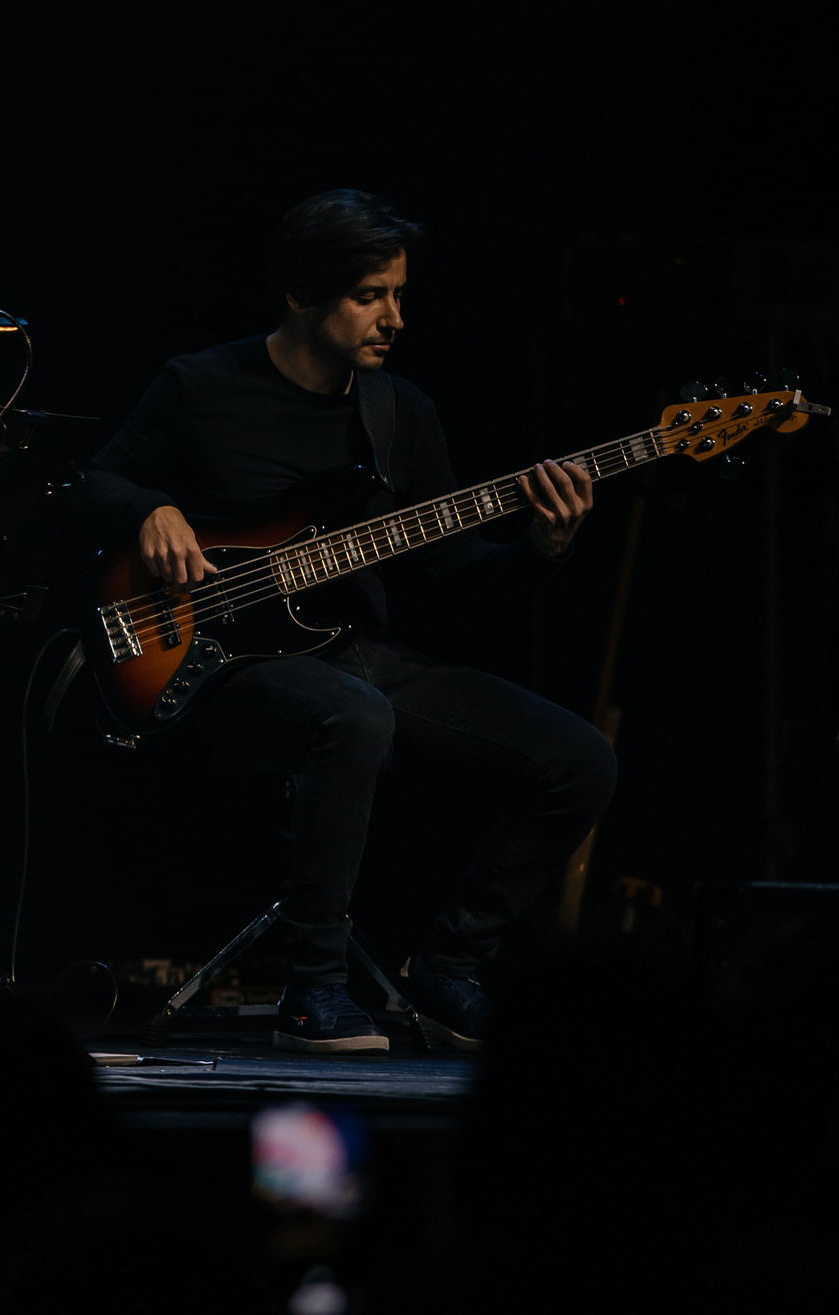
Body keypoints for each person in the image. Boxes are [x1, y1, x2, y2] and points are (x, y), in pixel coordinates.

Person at [79, 191, 614, 1054]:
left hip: (356, 651)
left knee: (580, 758)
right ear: (300, 292)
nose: (394, 316)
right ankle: (313, 989)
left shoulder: (400, 413)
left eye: (400, 293)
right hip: (216, 661)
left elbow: (451, 570)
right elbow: (90, 487)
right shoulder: (199, 384)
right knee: (352, 713)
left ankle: (448, 968)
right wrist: (150, 508)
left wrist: (543, 548)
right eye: (370, 294)